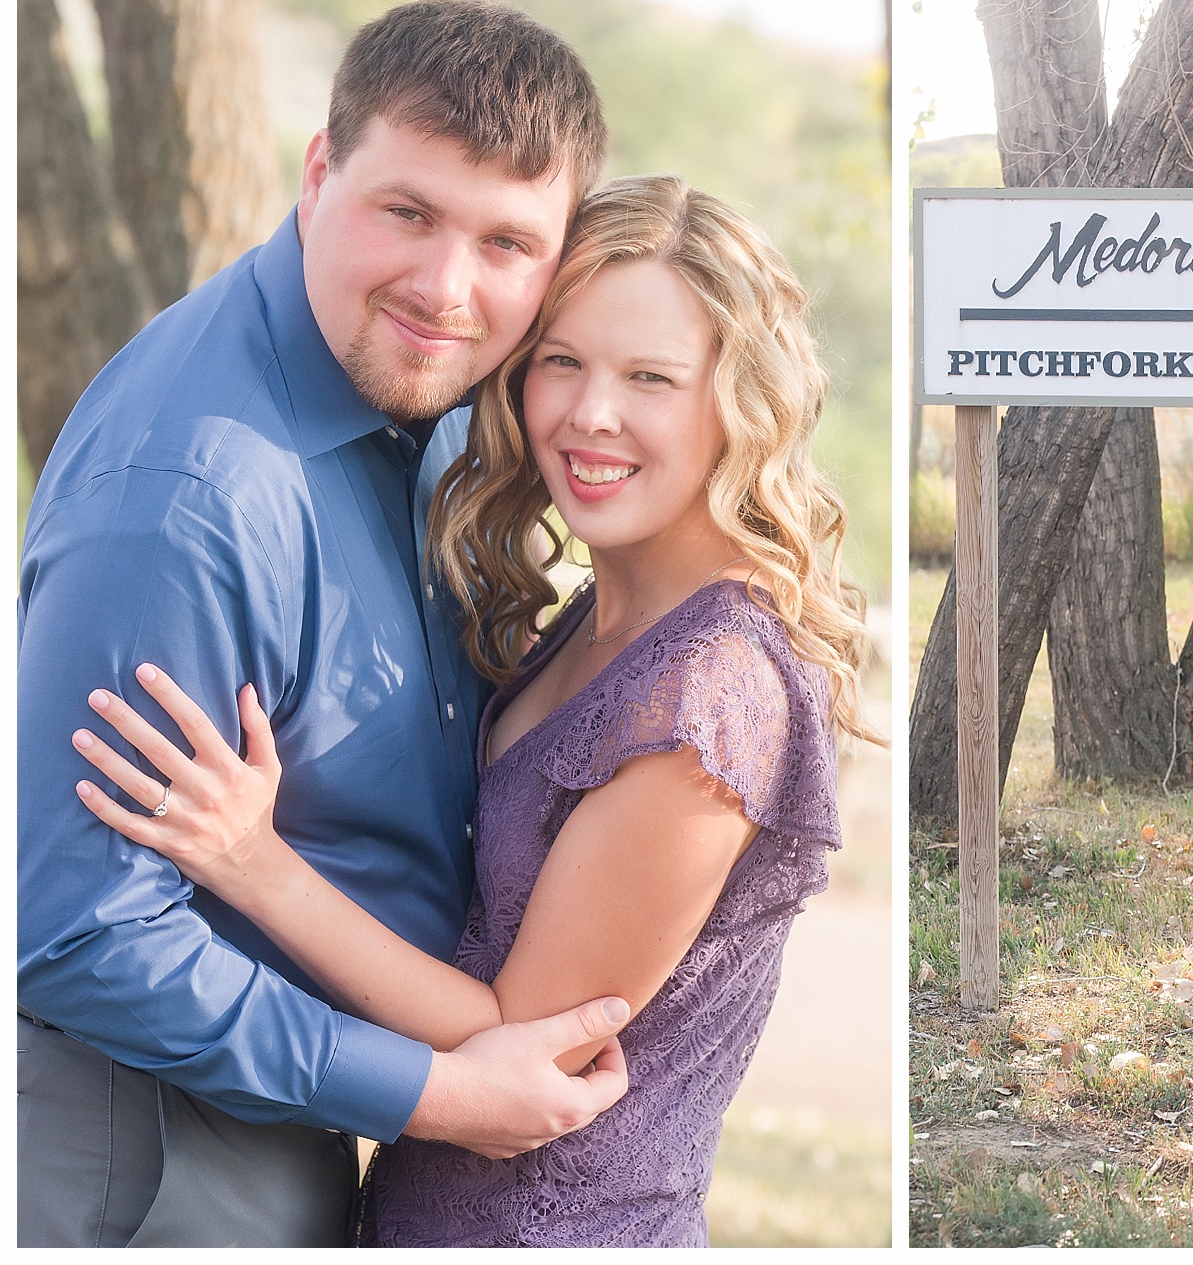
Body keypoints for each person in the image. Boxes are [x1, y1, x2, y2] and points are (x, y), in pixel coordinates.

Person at [71, 175, 873, 1246]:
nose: (593, 412)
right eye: (563, 361)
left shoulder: (712, 694)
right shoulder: (603, 606)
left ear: (739, 400)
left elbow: (519, 1037)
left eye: (651, 377)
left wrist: (254, 863)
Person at [18, 0, 631, 1247]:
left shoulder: (435, 393)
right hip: (147, 1156)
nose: (446, 287)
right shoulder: (187, 501)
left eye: (508, 242)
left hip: (296, 1124)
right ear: (319, 170)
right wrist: (441, 1093)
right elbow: (76, 933)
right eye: (407, 212)